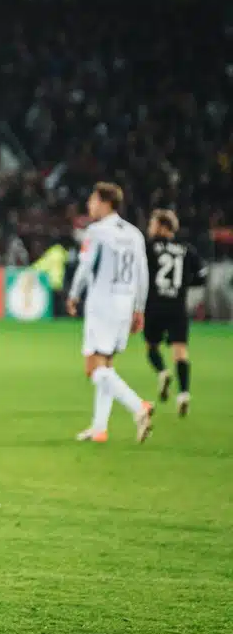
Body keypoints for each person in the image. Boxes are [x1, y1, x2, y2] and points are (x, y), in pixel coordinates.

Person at [67, 182, 154, 443]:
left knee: (93, 369)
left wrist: (73, 294)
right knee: (106, 364)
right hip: (124, 305)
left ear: (105, 203)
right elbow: (142, 274)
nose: (89, 205)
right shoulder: (134, 233)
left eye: (92, 200)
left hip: (102, 304)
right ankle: (99, 428)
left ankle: (138, 406)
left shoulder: (96, 231)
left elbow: (84, 267)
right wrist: (139, 308)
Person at [143, 208, 207, 416]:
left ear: (162, 226)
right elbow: (202, 276)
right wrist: (184, 283)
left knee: (151, 346)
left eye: (152, 224)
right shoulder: (187, 248)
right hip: (177, 307)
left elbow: (140, 271)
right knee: (180, 352)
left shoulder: (149, 247)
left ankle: (162, 372)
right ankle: (184, 394)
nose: (150, 228)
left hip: (154, 304)